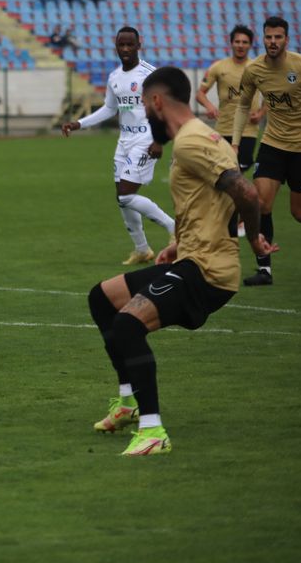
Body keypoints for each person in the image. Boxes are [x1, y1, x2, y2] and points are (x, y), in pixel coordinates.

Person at [85, 66, 275, 456]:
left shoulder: (191, 142)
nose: (143, 115)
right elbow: (216, 198)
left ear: (157, 102)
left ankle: (153, 430)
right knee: (102, 298)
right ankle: (128, 403)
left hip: (208, 271)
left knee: (127, 325)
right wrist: (178, 240)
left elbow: (247, 194)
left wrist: (255, 238)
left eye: (144, 105)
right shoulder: (201, 137)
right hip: (191, 257)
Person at [230, 15, 301, 285]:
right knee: (261, 203)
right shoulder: (254, 70)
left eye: (278, 37)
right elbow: (243, 105)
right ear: (263, 39)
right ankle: (264, 269)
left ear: (286, 40)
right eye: (269, 37)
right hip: (272, 144)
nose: (273, 42)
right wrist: (235, 143)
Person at [61, 27, 176, 264]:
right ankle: (142, 249)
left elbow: (163, 109)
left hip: (146, 138)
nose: (125, 49)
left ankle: (175, 228)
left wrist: (158, 140)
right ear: (116, 46)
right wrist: (78, 124)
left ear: (138, 45)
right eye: (121, 45)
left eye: (129, 45)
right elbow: (110, 109)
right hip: (124, 141)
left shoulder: (149, 75)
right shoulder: (114, 77)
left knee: (125, 196)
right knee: (122, 197)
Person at [196, 25, 265, 175]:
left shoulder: (257, 68)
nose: (240, 45)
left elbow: (270, 95)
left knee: (239, 169)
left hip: (247, 130)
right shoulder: (218, 67)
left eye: (244, 42)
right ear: (231, 43)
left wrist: (261, 113)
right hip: (223, 128)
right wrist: (209, 106)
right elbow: (200, 93)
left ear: (250, 44)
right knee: (223, 172)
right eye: (237, 41)